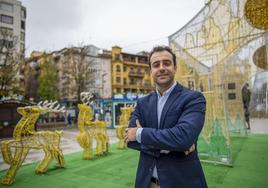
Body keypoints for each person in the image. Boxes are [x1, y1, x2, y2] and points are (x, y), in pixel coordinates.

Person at [124, 46, 207, 188]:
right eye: (156, 65)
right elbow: (129, 139)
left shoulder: (193, 99)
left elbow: (183, 137)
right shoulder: (142, 103)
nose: (161, 68)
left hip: (182, 182)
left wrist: (140, 133)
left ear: (175, 68)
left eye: (166, 63)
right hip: (147, 182)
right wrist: (175, 145)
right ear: (151, 71)